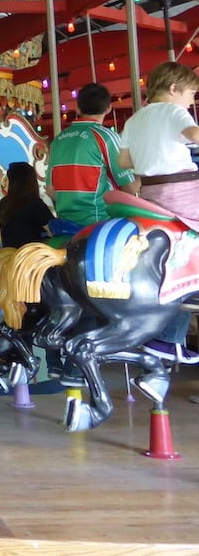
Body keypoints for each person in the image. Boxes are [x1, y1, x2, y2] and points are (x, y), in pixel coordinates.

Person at [118, 61, 199, 365]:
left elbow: (125, 161)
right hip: (183, 192)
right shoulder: (174, 111)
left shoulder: (135, 120)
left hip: (151, 196)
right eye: (191, 94)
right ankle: (171, 336)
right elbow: (195, 135)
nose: (191, 101)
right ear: (174, 88)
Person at [46, 82, 138, 228]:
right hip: (100, 221)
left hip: (65, 224)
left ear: (78, 108)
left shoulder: (58, 140)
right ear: (108, 108)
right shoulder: (106, 137)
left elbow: (51, 189)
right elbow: (131, 188)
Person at [0, 162, 54, 248]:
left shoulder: (2, 204)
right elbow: (53, 230)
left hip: (8, 255)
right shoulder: (34, 204)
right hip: (29, 256)